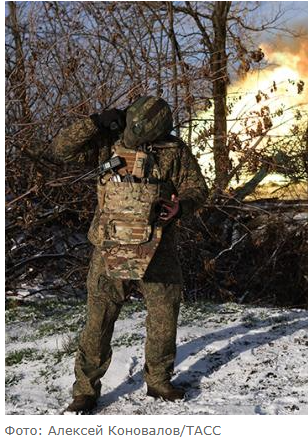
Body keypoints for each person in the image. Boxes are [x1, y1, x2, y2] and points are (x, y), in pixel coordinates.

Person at [51, 96, 208, 413]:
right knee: (99, 320)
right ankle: (85, 391)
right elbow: (61, 150)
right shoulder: (106, 144)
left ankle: (159, 380)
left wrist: (180, 208)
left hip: (158, 248)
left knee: (163, 318)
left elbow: (198, 189)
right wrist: (95, 123)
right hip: (110, 246)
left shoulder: (173, 151)